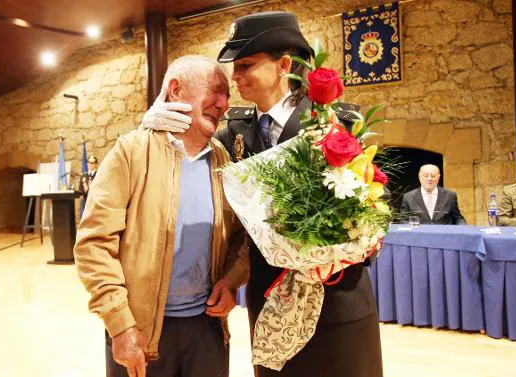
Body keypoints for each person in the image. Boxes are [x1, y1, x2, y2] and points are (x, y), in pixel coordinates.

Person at [142, 11, 382, 377]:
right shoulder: (234, 133)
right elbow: (188, 150)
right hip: (270, 307)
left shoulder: (337, 122)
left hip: (337, 305)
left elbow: (373, 208)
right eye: (234, 67)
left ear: (284, 64)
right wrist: (152, 125)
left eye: (246, 65)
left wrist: (334, 253)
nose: (235, 77)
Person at [74, 55, 249, 377]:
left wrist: (231, 280)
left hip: (207, 330)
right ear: (176, 89)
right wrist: (119, 323)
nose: (224, 104)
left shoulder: (222, 158)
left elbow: (240, 236)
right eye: (215, 91)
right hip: (141, 332)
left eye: (228, 95)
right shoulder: (131, 152)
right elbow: (93, 245)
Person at [400, 164, 467, 225]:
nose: (429, 179)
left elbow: (457, 218)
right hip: (419, 236)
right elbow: (403, 220)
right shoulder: (408, 197)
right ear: (419, 177)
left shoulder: (450, 196)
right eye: (426, 176)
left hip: (444, 236)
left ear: (438, 177)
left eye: (433, 176)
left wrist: (464, 227)